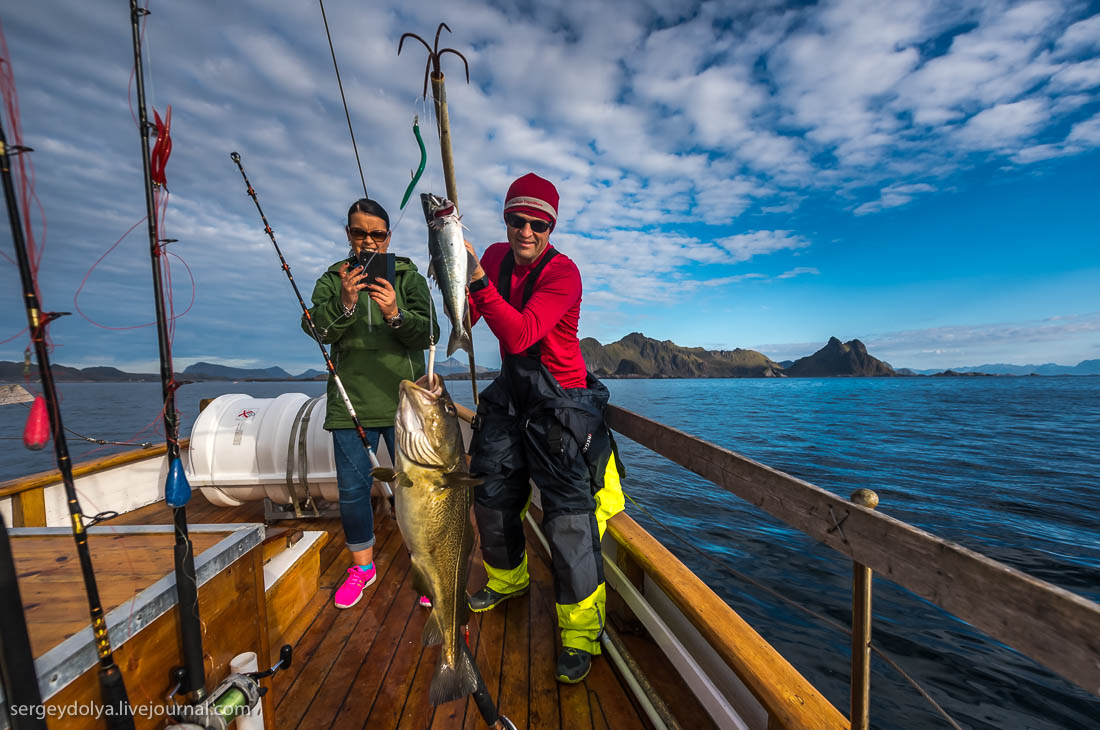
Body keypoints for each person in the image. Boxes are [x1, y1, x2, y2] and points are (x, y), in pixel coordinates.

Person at [464, 173, 625, 684]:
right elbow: (469, 312)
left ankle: (580, 634)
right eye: (517, 219)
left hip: (562, 400)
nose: (526, 231)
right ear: (505, 220)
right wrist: (452, 275)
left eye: (539, 223)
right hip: (512, 393)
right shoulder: (489, 257)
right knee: (489, 493)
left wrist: (476, 286)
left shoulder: (565, 274)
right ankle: (507, 580)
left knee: (568, 520)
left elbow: (522, 330)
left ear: (552, 227)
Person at [303, 198, 439, 610]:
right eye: (359, 233)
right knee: (352, 491)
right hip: (350, 404)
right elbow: (315, 329)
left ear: (388, 237)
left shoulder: (407, 276)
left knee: (421, 492)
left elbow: (431, 330)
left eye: (377, 234)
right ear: (348, 234)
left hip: (407, 406)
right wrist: (345, 303)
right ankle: (363, 567)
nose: (368, 242)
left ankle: (428, 565)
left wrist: (396, 313)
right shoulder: (334, 278)